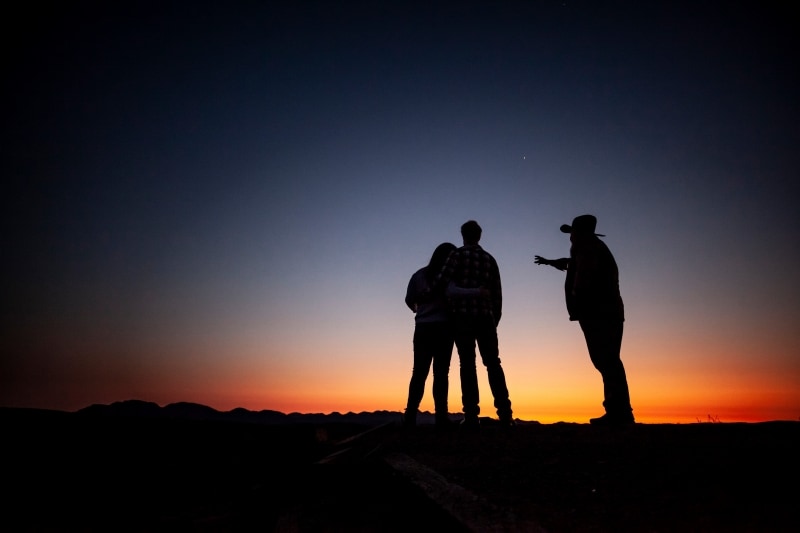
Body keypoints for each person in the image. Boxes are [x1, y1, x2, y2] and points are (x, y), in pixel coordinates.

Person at [534, 214, 635, 426]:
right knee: (608, 361)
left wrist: (578, 302)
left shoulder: (587, 246)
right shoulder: (591, 247)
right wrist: (550, 262)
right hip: (607, 312)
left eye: (572, 232)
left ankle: (619, 413)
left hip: (599, 312)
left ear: (579, 233)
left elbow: (583, 276)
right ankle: (619, 411)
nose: (570, 237)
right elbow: (572, 264)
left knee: (606, 360)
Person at [434, 220, 514, 428]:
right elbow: (497, 294)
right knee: (493, 363)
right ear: (480, 236)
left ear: (463, 235)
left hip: (462, 318)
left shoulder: (456, 256)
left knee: (467, 364)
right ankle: (505, 414)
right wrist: (494, 318)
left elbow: (442, 282)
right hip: (485, 318)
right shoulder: (490, 260)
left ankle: (471, 415)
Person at [404, 242, 485, 429]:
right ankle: (441, 416)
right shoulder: (450, 277)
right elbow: (455, 294)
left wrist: (421, 310)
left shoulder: (419, 275)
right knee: (441, 374)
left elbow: (409, 299)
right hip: (444, 328)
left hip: (423, 327)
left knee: (419, 373)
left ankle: (410, 416)